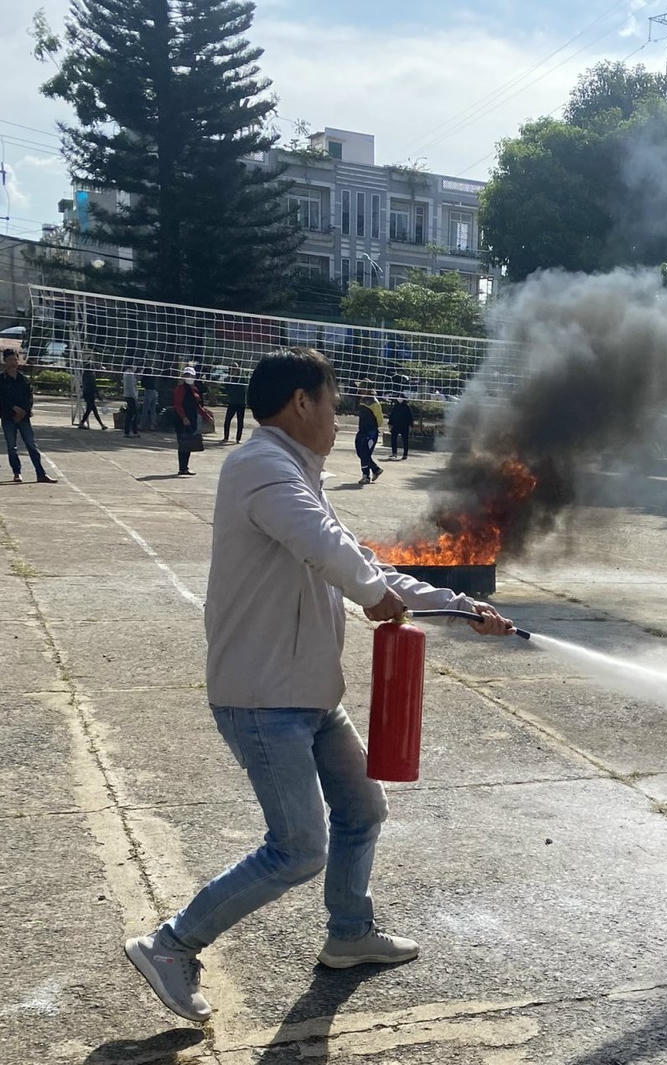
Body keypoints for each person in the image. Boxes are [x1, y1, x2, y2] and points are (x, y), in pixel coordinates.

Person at [123, 347, 514, 1023]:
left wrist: (460, 607)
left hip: (307, 693)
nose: (338, 419)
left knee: (363, 810)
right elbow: (332, 555)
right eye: (333, 403)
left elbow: (361, 559)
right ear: (301, 402)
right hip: (261, 696)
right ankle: (170, 943)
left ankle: (348, 932)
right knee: (299, 846)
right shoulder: (260, 467)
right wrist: (371, 594)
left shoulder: (297, 473)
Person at [1, 351, 57, 484]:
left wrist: (25, 411)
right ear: (5, 361)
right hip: (8, 417)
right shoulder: (1, 379)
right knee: (11, 446)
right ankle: (17, 473)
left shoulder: (23, 379)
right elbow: (2, 398)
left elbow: (29, 397)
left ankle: (41, 473)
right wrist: (13, 409)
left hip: (24, 418)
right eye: (9, 360)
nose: (13, 363)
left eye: (15, 360)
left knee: (32, 445)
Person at [173, 366, 207, 476]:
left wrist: (206, 415)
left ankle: (185, 467)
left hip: (192, 419)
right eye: (186, 375)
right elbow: (177, 405)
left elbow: (198, 406)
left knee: (189, 444)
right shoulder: (180, 389)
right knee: (183, 443)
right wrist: (183, 417)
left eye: (190, 375)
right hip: (181, 420)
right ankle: (182, 468)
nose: (189, 377)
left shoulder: (195, 389)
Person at [355, 382, 384, 484]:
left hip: (370, 433)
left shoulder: (375, 403)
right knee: (360, 453)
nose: (360, 390)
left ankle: (365, 476)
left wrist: (373, 429)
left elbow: (380, 419)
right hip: (361, 431)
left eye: (362, 388)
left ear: (367, 389)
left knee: (365, 453)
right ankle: (376, 469)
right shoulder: (362, 400)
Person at [222, 363, 247, 443]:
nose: (233, 370)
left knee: (240, 422)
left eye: (235, 369)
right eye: (232, 369)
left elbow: (245, 385)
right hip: (232, 402)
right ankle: (226, 437)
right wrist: (230, 379)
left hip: (241, 403)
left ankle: (238, 439)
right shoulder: (228, 379)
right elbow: (226, 389)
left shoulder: (242, 378)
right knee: (227, 420)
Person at [387, 392, 414, 460]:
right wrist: (390, 424)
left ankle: (405, 454)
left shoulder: (406, 407)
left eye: (400, 397)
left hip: (404, 426)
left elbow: (410, 417)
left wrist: (411, 425)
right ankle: (394, 453)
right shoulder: (395, 406)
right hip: (395, 425)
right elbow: (392, 416)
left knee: (405, 440)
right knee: (393, 439)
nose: (399, 398)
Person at [79, 364, 106, 429]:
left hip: (86, 394)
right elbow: (94, 386)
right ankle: (82, 423)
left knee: (93, 410)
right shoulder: (91, 376)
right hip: (90, 394)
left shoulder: (84, 375)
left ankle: (102, 425)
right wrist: (98, 395)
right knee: (90, 410)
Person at [122, 363, 140, 437]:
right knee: (131, 414)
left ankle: (133, 431)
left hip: (128, 395)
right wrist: (135, 397)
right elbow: (131, 387)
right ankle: (128, 431)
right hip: (131, 396)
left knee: (133, 414)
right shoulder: (130, 374)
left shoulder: (127, 373)